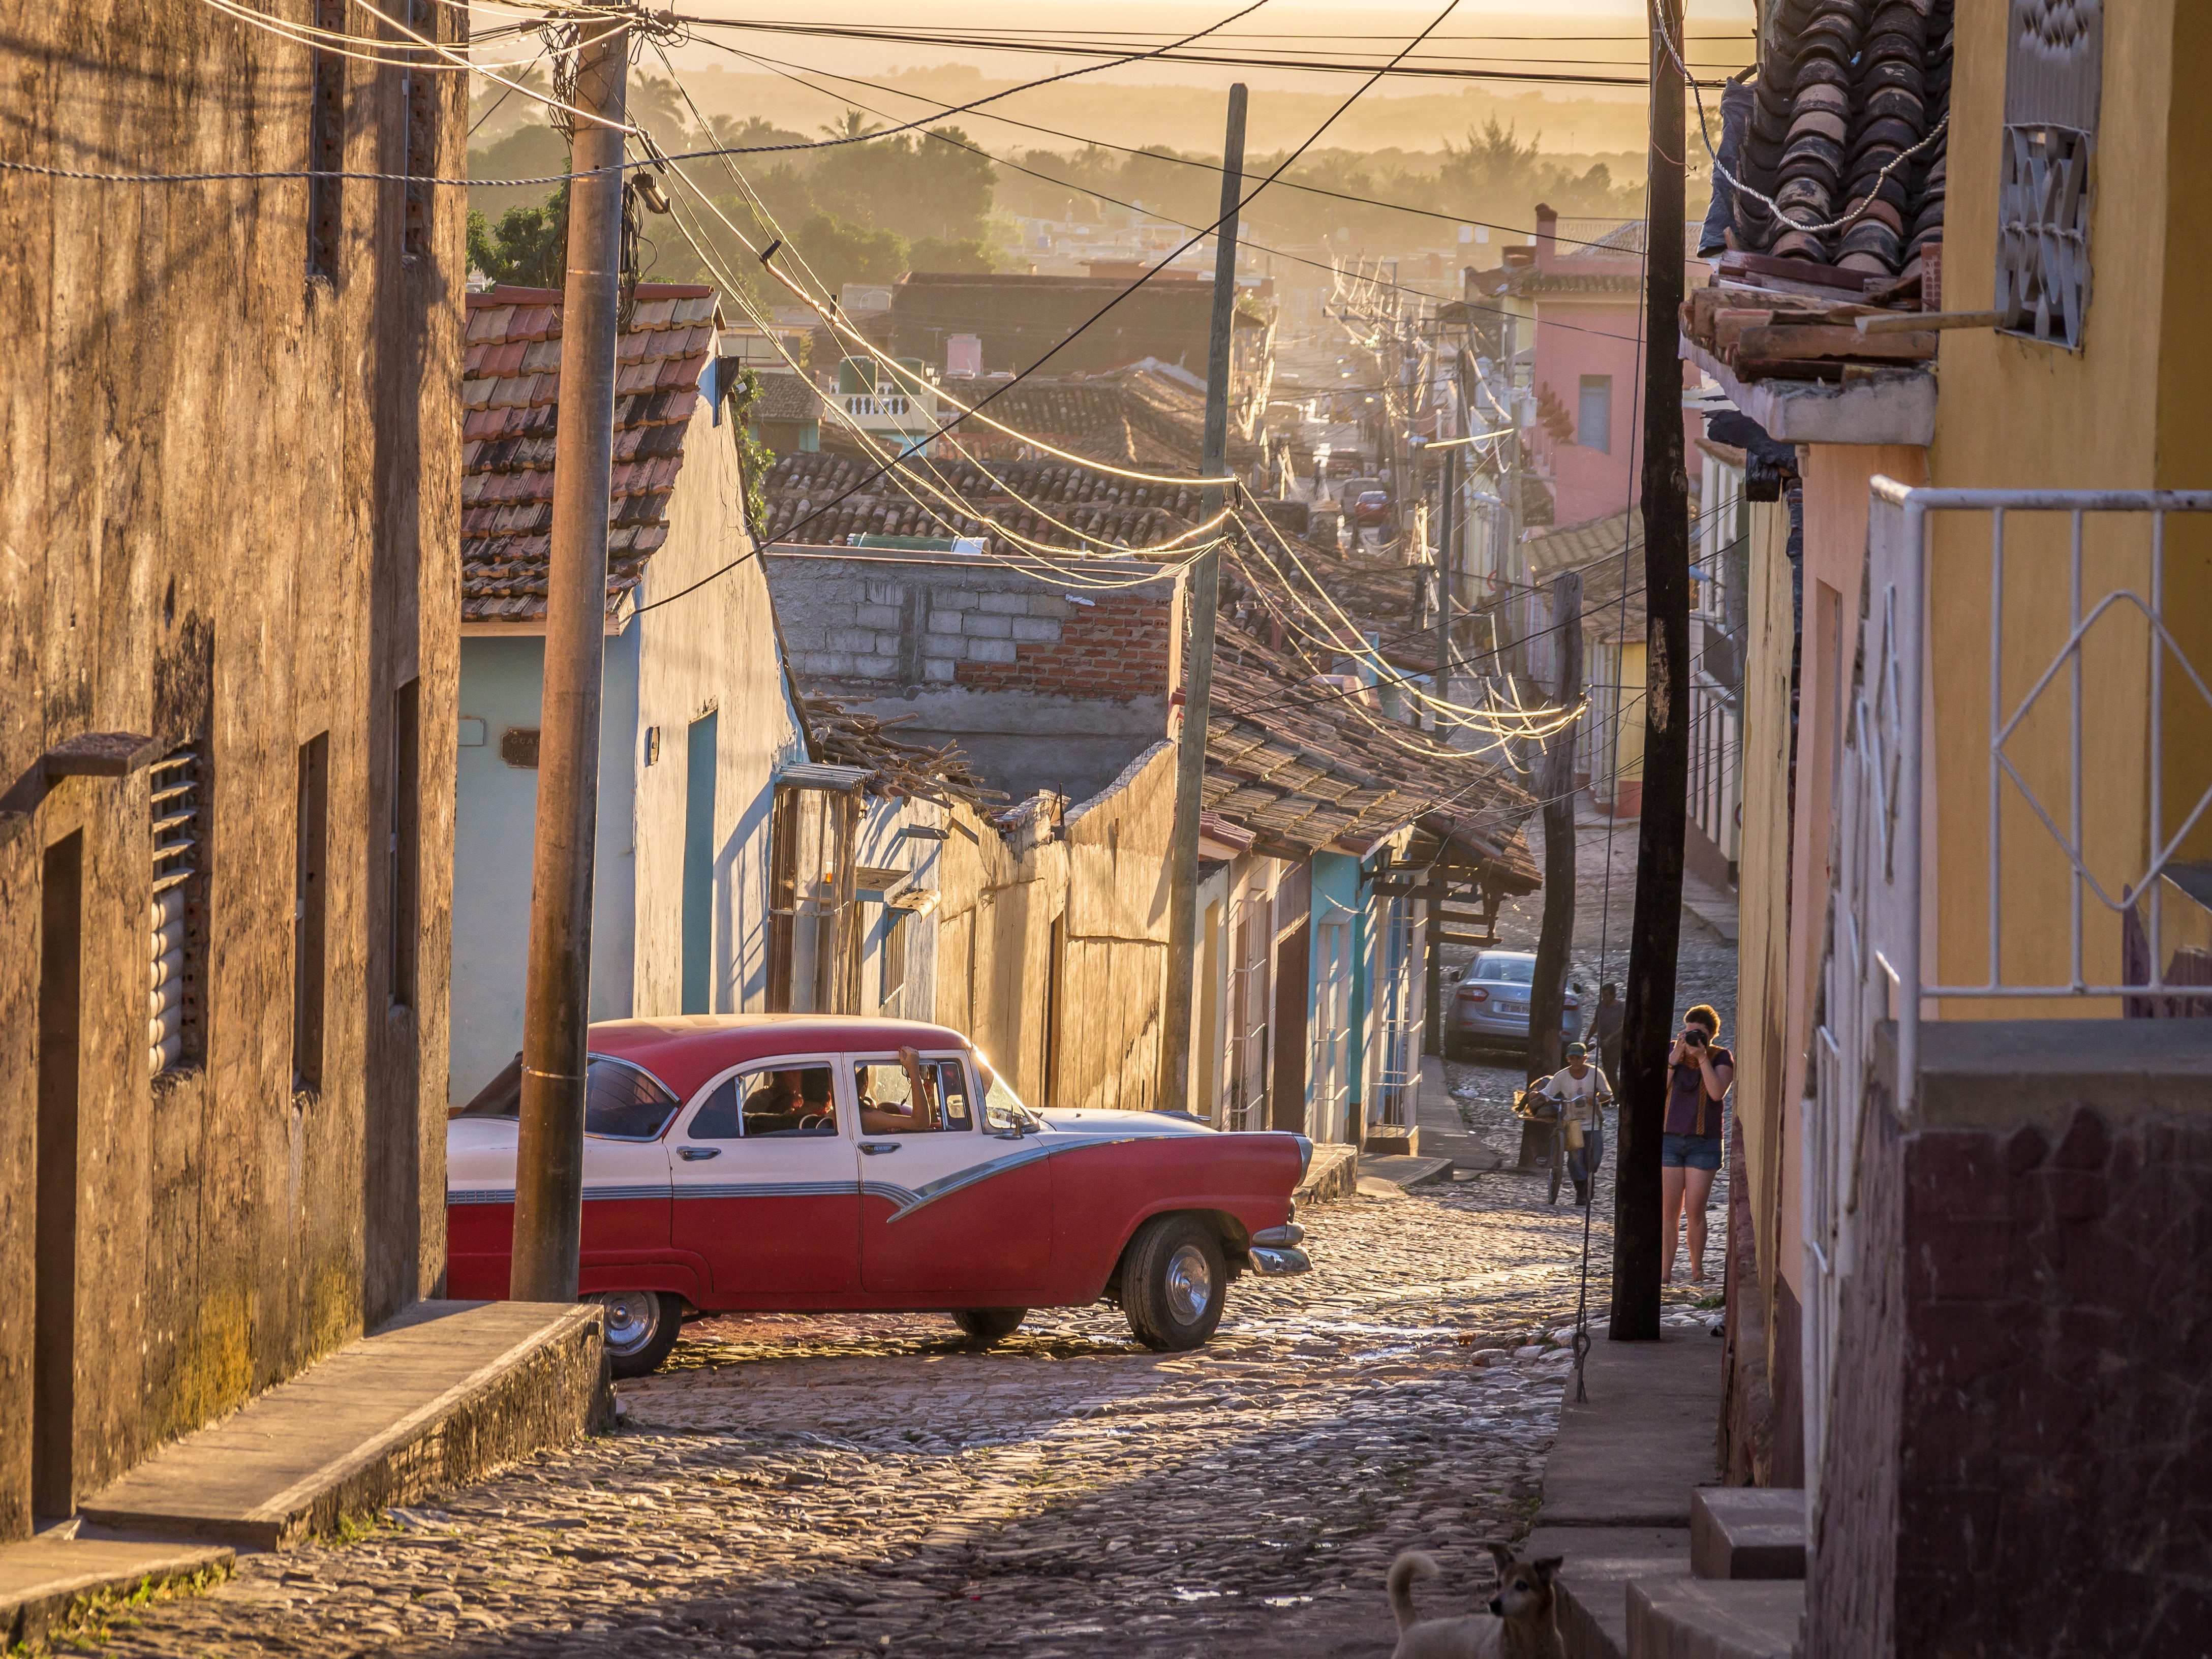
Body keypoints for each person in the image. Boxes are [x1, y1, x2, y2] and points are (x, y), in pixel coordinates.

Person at [1661, 1004, 1734, 1284]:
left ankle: (1696, 1269)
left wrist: (1702, 1058)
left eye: (1699, 1034)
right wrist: (1675, 1059)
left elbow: (1717, 1093)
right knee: (1668, 1211)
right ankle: (1665, 1273)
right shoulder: (1672, 1051)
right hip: (1669, 1140)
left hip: (1704, 1143)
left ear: (1711, 1037)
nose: (1692, 1038)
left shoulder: (1720, 1057)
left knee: (1695, 1208)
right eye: (1688, 1031)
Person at [1537, 1042, 1611, 1205]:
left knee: (1595, 1157)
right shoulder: (1562, 1076)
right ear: (1568, 1059)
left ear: (1585, 1058)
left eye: (1579, 1058)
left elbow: (1608, 1094)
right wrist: (1542, 1096)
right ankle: (1582, 1191)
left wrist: (1597, 1099)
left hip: (1593, 1122)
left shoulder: (1596, 1073)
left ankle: (1589, 1180)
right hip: (1573, 1123)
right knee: (1576, 1158)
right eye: (1572, 1058)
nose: (1575, 1062)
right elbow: (1548, 1092)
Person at [1592, 982, 1625, 1084]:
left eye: (1606, 996)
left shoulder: (1621, 1008)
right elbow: (1596, 1023)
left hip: (1616, 1044)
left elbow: (1623, 1027)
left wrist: (1610, 1038)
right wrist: (1588, 1038)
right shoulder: (1601, 1006)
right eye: (1603, 996)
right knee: (1607, 1071)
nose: (1604, 998)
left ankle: (1617, 1097)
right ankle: (1614, 1095)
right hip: (1604, 1045)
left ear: (1613, 995)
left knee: (1611, 1072)